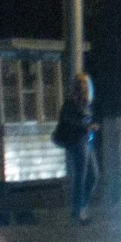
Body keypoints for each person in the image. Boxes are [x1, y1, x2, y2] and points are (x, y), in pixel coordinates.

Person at [53, 70, 99, 224]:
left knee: (93, 175)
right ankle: (79, 212)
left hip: (87, 141)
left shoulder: (88, 103)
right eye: (80, 84)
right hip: (77, 142)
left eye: (84, 84)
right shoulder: (70, 103)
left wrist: (92, 125)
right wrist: (86, 126)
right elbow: (69, 121)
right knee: (81, 176)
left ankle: (80, 207)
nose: (82, 87)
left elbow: (87, 119)